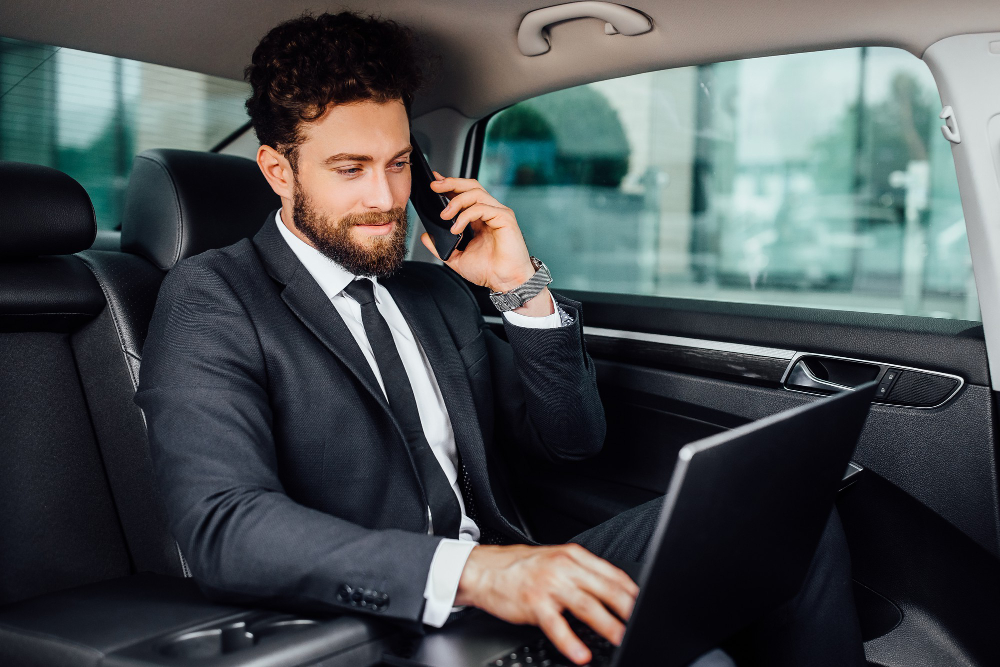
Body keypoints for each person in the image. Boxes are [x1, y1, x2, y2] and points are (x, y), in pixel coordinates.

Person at [135, 11, 866, 667]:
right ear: (277, 170)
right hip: (376, 621)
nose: (386, 199)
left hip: (506, 582)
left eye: (398, 164)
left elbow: (571, 441)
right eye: (349, 169)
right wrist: (480, 573)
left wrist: (520, 288)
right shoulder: (213, 297)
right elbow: (224, 525)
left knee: (791, 518)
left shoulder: (433, 293)